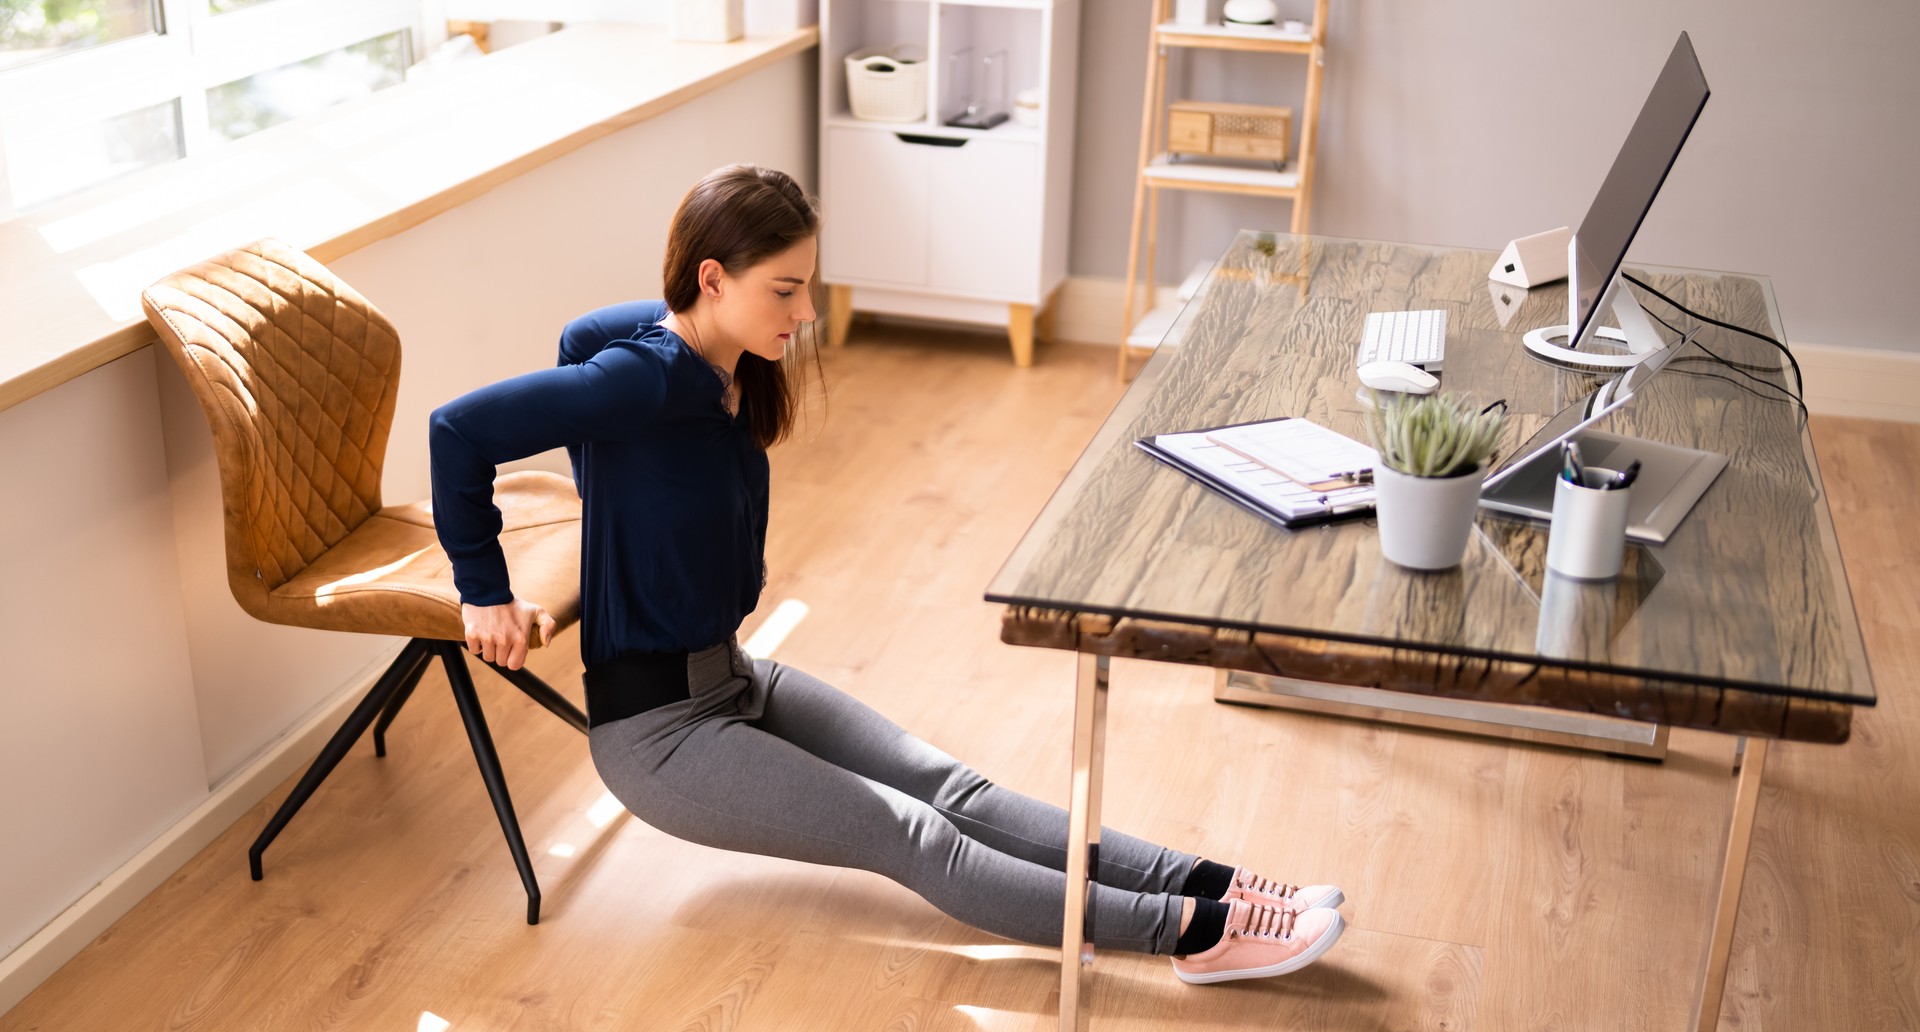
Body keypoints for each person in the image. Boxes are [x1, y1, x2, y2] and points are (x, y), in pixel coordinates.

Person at [428, 164, 1347, 984]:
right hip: (661, 738)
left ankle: (1205, 882)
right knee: (916, 837)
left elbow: (575, 331)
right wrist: (485, 591)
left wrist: (607, 490)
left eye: (808, 286)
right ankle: (1192, 936)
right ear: (712, 278)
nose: (806, 314)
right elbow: (457, 430)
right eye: (785, 290)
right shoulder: (642, 380)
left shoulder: (712, 365)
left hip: (734, 678)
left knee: (954, 789)